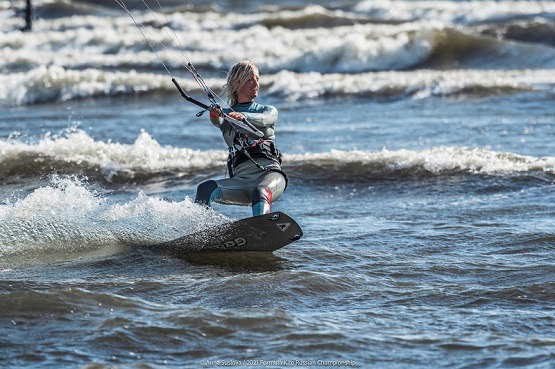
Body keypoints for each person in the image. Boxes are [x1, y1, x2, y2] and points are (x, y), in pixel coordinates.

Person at [194, 61, 287, 217]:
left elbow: (265, 119)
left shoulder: (268, 110)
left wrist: (244, 117)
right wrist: (214, 113)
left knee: (261, 192)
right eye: (250, 79)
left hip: (269, 176)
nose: (256, 83)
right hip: (241, 183)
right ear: (237, 83)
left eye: (257, 78)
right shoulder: (225, 115)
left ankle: (263, 228)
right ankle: (198, 232)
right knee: (205, 189)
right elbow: (217, 121)